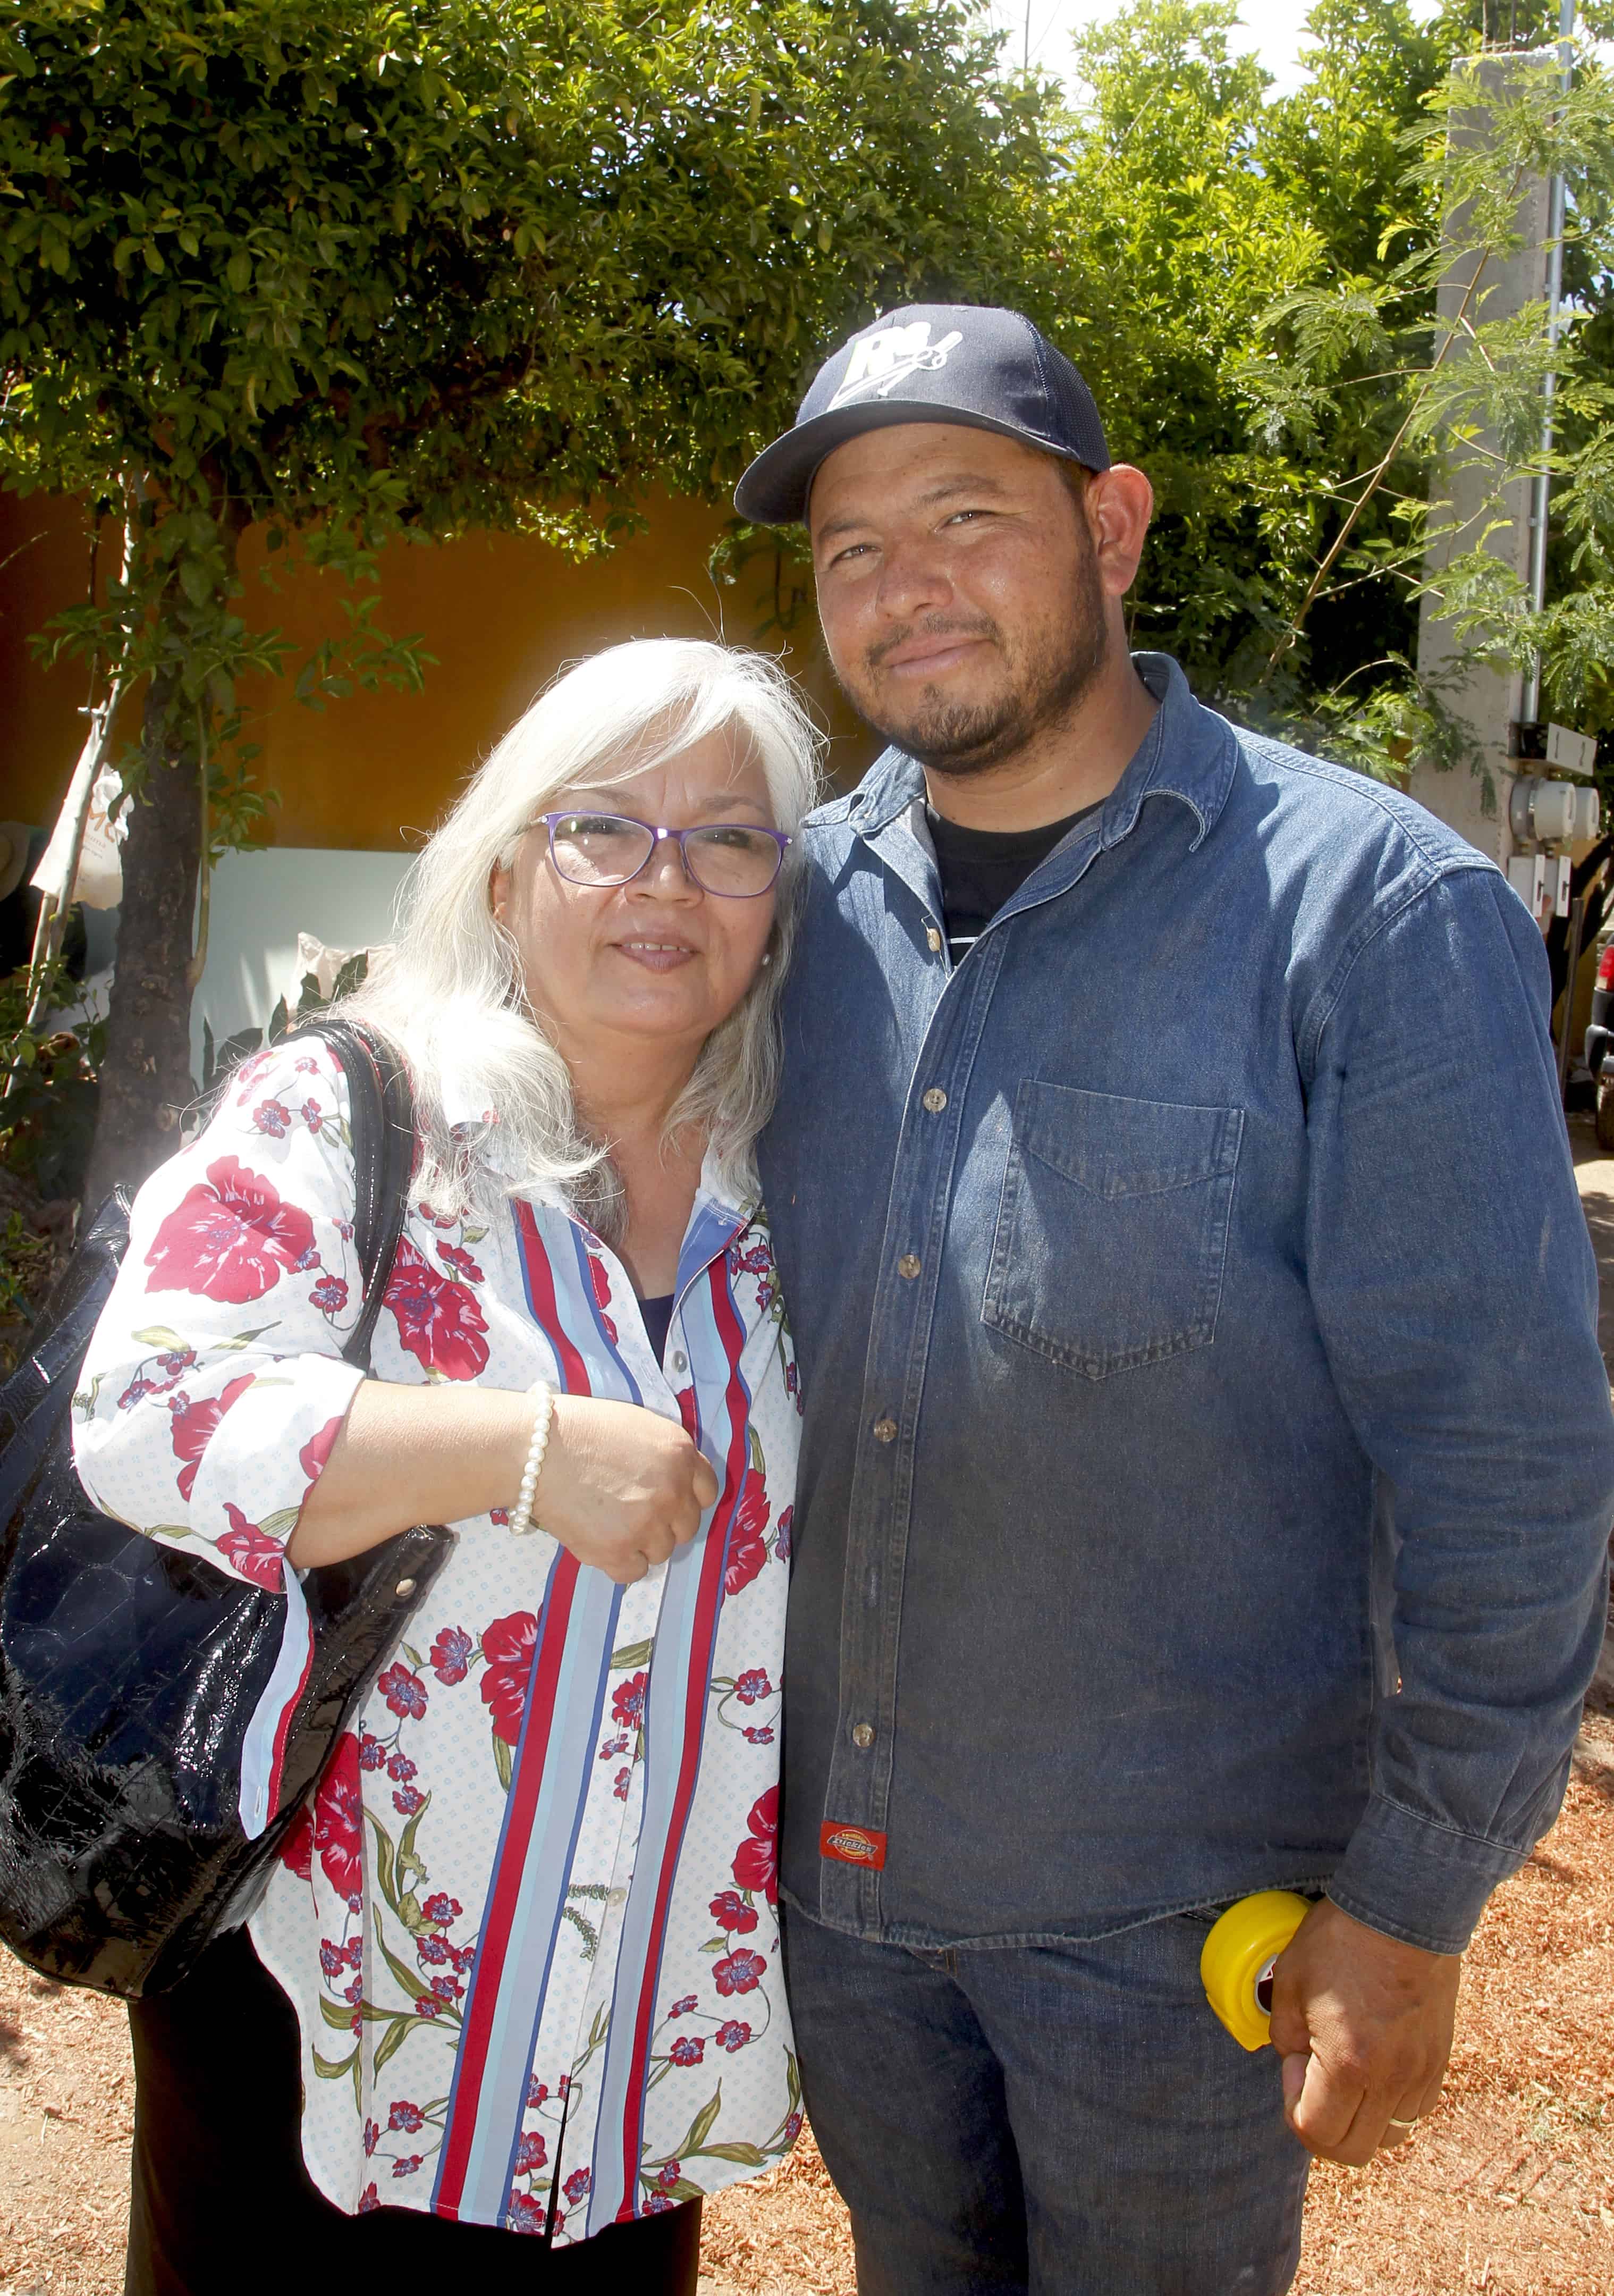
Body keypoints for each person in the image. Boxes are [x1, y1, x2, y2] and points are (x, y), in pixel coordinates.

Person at [733, 305, 1614, 2295]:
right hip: (839, 1905)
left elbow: (1505, 1452)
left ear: (1113, 529)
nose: (906, 588)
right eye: (853, 549)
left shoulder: (1366, 916)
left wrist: (1415, 1901)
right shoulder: (786, 914)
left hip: (1178, 1933)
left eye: (968, 516)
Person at [73, 638, 818, 2293]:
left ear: (779, 901)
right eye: (604, 826)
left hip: (629, 2045)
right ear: (501, 872)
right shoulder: (354, 1114)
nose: (667, 879)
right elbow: (149, 1413)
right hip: (329, 2012)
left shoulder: (794, 1195)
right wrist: (519, 1447)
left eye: (730, 837)